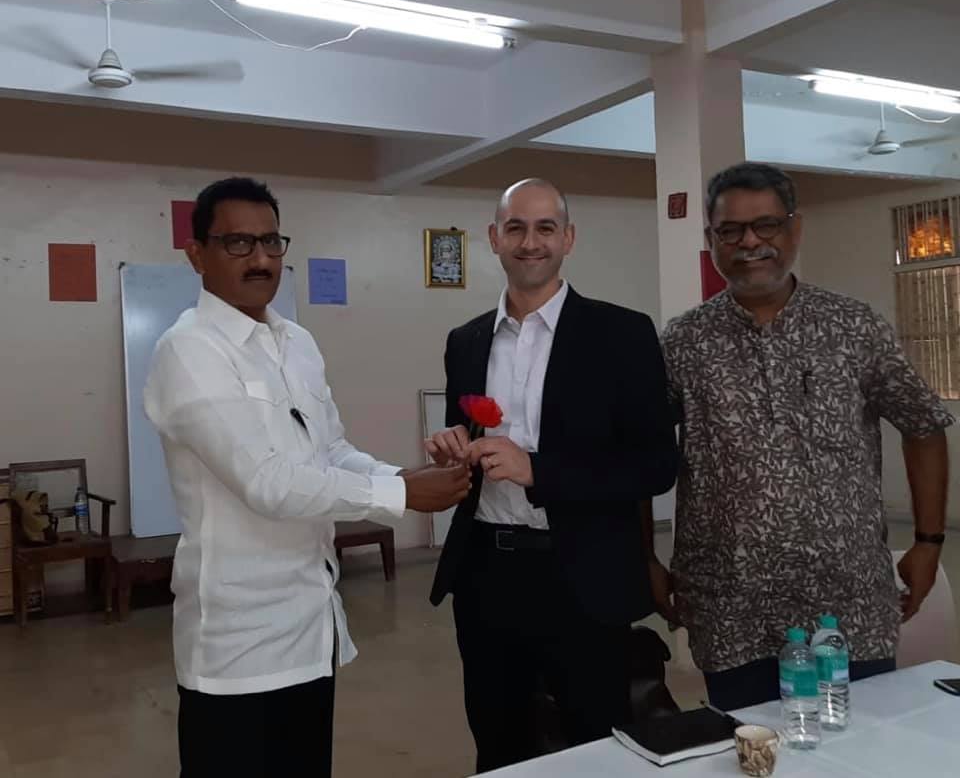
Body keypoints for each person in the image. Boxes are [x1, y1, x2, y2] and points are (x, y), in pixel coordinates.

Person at [144, 177, 471, 778]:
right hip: (236, 648)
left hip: (311, 627)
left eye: (271, 240)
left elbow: (328, 448)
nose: (262, 258)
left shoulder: (296, 342)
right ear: (197, 254)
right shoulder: (188, 350)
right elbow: (268, 483)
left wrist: (396, 473)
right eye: (238, 243)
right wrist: (400, 495)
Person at [653, 162, 953, 711]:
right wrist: (643, 557)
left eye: (765, 226)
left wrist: (929, 541)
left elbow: (923, 424)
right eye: (731, 231)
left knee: (858, 750)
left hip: (846, 598)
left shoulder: (852, 326)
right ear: (711, 240)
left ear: (794, 230)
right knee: (749, 753)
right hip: (730, 601)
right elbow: (638, 451)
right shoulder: (683, 342)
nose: (750, 243)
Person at [425, 178, 677, 772]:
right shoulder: (465, 341)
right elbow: (468, 441)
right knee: (498, 740)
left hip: (583, 575)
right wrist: (451, 448)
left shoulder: (623, 333)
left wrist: (536, 470)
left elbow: (655, 465)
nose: (529, 242)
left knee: (596, 743)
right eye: (515, 227)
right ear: (493, 238)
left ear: (568, 238)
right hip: (487, 573)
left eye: (544, 228)